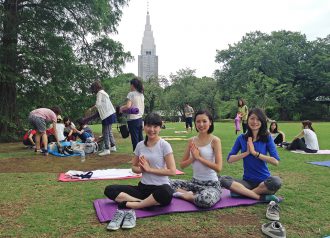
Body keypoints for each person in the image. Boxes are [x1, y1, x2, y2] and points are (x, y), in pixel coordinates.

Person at [104, 113, 176, 230]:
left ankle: (134, 205)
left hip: (160, 188)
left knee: (167, 192)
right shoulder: (140, 145)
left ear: (160, 127)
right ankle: (144, 202)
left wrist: (149, 169)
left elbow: (172, 171)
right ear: (144, 126)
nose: (151, 130)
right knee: (110, 190)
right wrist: (141, 169)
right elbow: (134, 167)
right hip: (143, 188)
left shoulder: (164, 145)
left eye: (155, 127)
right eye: (148, 126)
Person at [220, 108, 282, 202]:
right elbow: (230, 159)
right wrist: (246, 153)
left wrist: (255, 153)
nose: (255, 122)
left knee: (276, 181)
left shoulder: (267, 138)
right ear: (248, 119)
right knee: (223, 179)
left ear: (262, 122)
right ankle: (260, 197)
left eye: (258, 119)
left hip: (264, 182)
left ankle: (246, 193)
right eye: (252, 118)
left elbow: (275, 161)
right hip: (247, 182)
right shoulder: (241, 138)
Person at [170, 110, 223, 208]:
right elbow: (182, 165)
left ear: (210, 122)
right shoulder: (191, 141)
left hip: (211, 185)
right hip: (194, 183)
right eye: (198, 121)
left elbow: (218, 168)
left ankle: (187, 196)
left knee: (206, 199)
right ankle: (192, 194)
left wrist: (199, 158)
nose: (201, 124)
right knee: (165, 183)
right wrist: (193, 158)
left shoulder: (215, 141)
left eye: (204, 121)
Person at [89, 80, 117, 156]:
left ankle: (107, 149)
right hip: (111, 113)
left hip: (107, 115)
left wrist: (92, 109)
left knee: (105, 132)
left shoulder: (99, 93)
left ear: (95, 88)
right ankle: (113, 146)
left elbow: (98, 104)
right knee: (109, 131)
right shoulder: (104, 92)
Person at [120, 77, 145, 151]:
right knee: (140, 138)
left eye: (130, 85)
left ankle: (136, 157)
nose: (130, 87)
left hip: (133, 119)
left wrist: (121, 108)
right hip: (140, 119)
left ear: (133, 85)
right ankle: (143, 155)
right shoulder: (141, 94)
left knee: (135, 139)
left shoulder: (131, 94)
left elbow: (128, 106)